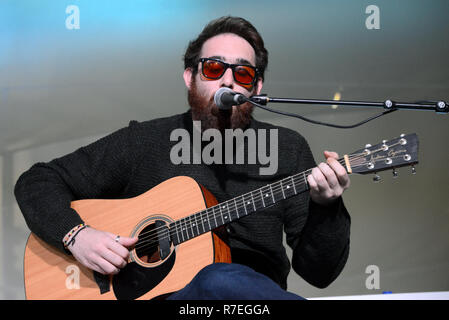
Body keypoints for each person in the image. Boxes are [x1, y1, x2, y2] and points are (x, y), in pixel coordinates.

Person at [15, 16, 351, 300]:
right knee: (215, 279)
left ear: (257, 88)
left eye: (243, 73)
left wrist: (326, 208)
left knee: (220, 280)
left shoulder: (286, 149)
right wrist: (77, 235)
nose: (228, 79)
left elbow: (319, 274)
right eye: (214, 67)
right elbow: (37, 181)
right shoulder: (145, 141)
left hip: (248, 304)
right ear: (190, 76)